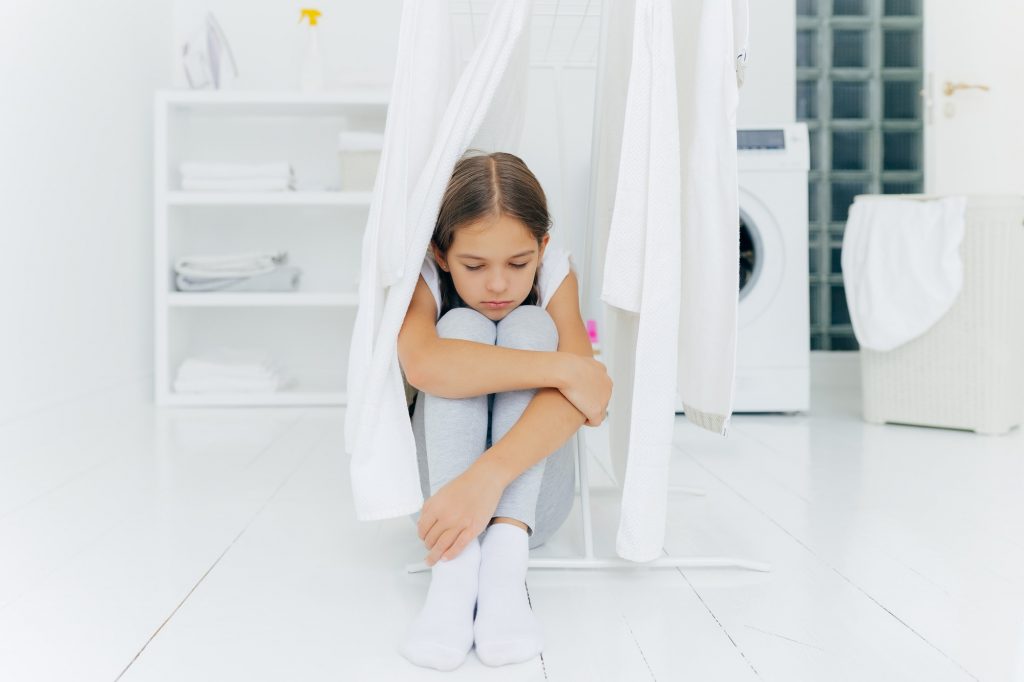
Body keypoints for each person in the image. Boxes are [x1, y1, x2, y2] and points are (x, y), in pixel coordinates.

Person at [395, 151, 612, 671]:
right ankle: (456, 568)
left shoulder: (555, 270)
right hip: (440, 507)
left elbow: (592, 398)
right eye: (475, 266)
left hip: (533, 511)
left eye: (519, 264)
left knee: (532, 327)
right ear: (442, 255)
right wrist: (562, 370)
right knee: (460, 328)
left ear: (541, 246)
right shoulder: (422, 270)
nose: (498, 285)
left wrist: (488, 479)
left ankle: (503, 568)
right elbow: (424, 365)